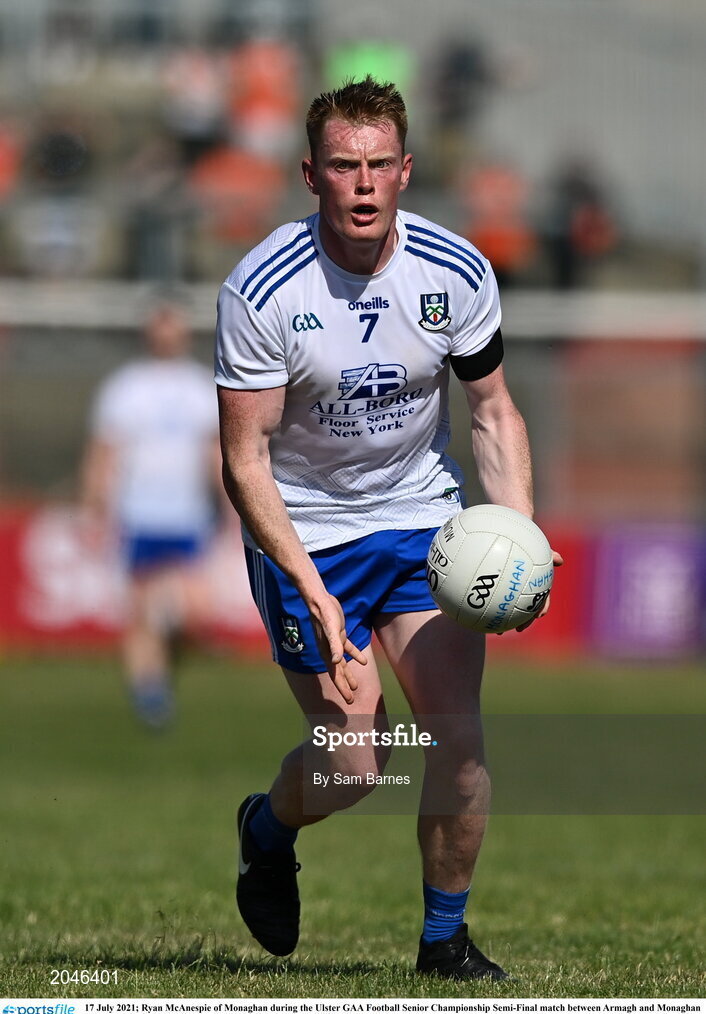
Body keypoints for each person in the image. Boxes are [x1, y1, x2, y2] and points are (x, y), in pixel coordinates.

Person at [215, 77, 562, 979]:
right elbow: (245, 460)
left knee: (458, 740)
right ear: (310, 175)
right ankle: (266, 827)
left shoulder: (456, 272)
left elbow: (492, 415)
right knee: (355, 763)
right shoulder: (261, 290)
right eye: (342, 166)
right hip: (308, 530)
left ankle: (444, 940)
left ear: (406, 171)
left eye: (378, 166)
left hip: (419, 522)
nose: (362, 185)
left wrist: (518, 534)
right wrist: (312, 590)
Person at [82, 298, 221, 728]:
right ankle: (150, 692)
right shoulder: (126, 387)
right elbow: (104, 452)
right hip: (139, 512)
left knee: (196, 612)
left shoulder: (201, 386)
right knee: (140, 608)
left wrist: (233, 504)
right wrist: (95, 505)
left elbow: (214, 451)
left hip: (188, 511)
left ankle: (162, 663)